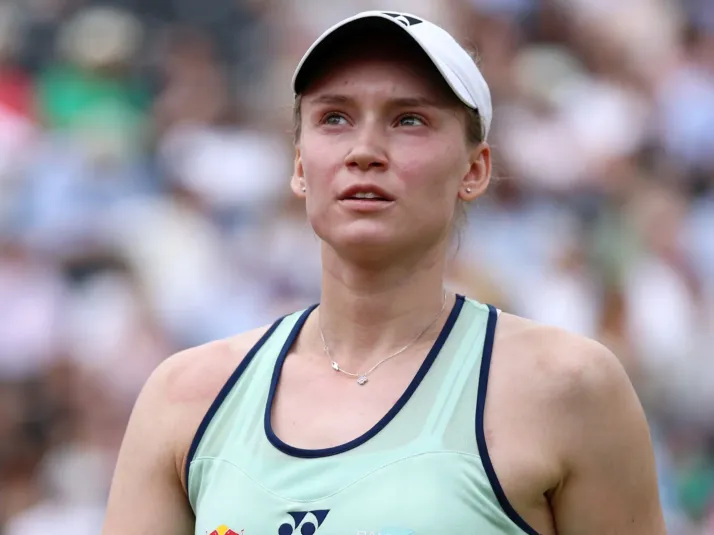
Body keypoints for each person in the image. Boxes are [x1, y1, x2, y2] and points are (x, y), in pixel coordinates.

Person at [101, 11, 667, 535]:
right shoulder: (183, 399)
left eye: (409, 119)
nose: (365, 150)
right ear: (299, 166)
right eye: (335, 118)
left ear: (475, 170)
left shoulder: (569, 387)